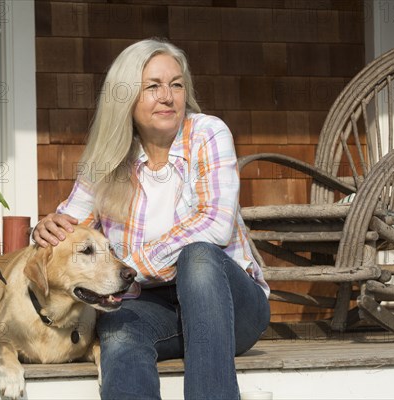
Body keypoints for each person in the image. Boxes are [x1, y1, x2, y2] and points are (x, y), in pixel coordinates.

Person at [32, 38, 270, 400]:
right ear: (124, 97)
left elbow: (215, 225)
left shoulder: (207, 133)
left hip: (234, 309)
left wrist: (124, 270)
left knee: (198, 256)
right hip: (156, 307)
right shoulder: (106, 158)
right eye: (153, 87)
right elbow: (70, 225)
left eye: (176, 85)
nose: (168, 96)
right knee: (119, 327)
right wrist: (46, 230)